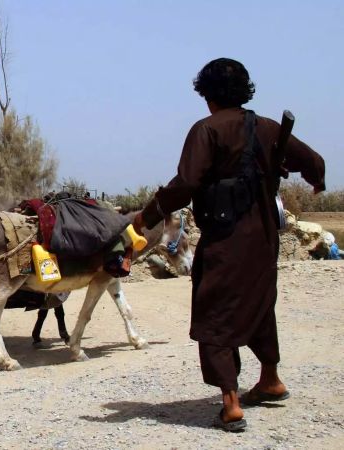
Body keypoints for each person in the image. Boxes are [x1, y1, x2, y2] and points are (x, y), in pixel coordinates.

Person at [133, 58, 325, 432]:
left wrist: (149, 215)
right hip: (265, 237)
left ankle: (231, 403)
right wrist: (316, 179)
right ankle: (270, 379)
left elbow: (187, 182)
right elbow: (313, 161)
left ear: (207, 94)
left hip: (226, 238)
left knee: (214, 312)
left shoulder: (207, 130)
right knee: (259, 302)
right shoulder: (268, 127)